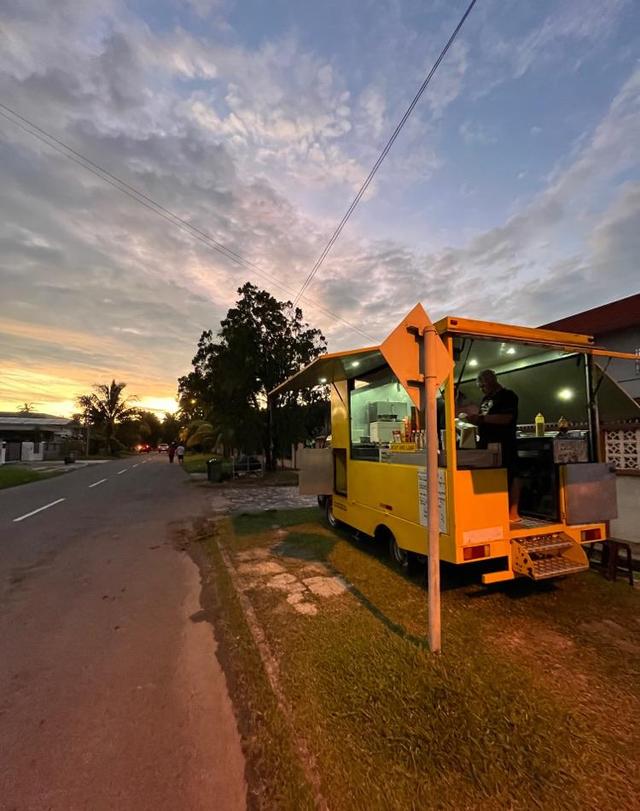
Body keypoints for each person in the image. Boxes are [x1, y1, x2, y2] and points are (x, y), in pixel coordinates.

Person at [463, 369, 521, 522]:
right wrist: (474, 420)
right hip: (486, 443)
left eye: (484, 385)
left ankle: (513, 513)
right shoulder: (485, 399)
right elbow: (484, 418)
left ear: (492, 381)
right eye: (480, 387)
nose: (482, 389)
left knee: (512, 474)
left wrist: (481, 419)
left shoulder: (508, 396)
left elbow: (506, 418)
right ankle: (495, 509)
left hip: (504, 442)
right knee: (491, 476)